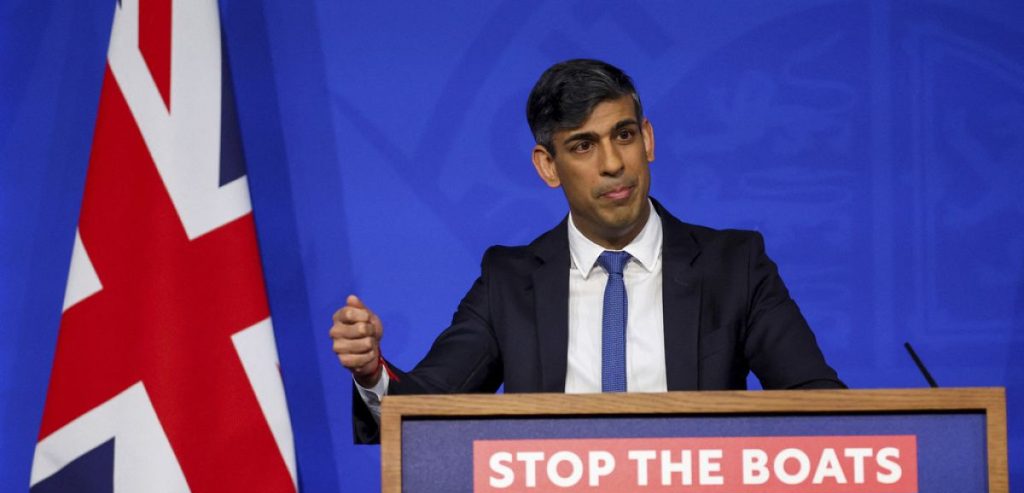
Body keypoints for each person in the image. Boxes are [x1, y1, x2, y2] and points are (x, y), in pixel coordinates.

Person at [331, 59, 844, 443]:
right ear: (547, 166)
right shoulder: (511, 282)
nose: (613, 164)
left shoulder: (735, 266)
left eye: (623, 135)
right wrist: (372, 372)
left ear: (647, 139)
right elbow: (426, 410)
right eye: (582, 146)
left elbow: (822, 408)